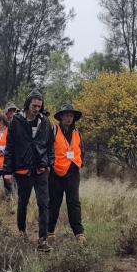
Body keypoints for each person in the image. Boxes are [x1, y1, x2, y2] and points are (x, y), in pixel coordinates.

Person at [3, 91, 55, 251]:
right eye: (34, 106)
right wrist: (7, 170)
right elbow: (10, 147)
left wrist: (49, 163)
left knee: (44, 204)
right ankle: (21, 231)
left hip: (41, 169)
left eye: (40, 106)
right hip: (23, 169)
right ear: (28, 104)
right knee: (23, 202)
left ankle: (42, 239)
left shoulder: (45, 121)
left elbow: (50, 145)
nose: (37, 109)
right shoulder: (16, 122)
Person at [48, 104, 85, 243]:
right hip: (56, 173)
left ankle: (79, 233)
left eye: (71, 116)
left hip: (73, 172)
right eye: (66, 115)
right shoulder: (53, 130)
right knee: (54, 203)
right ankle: (50, 231)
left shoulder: (77, 132)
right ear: (61, 117)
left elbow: (81, 149)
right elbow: (48, 148)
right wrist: (50, 165)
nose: (69, 118)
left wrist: (80, 163)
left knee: (74, 202)